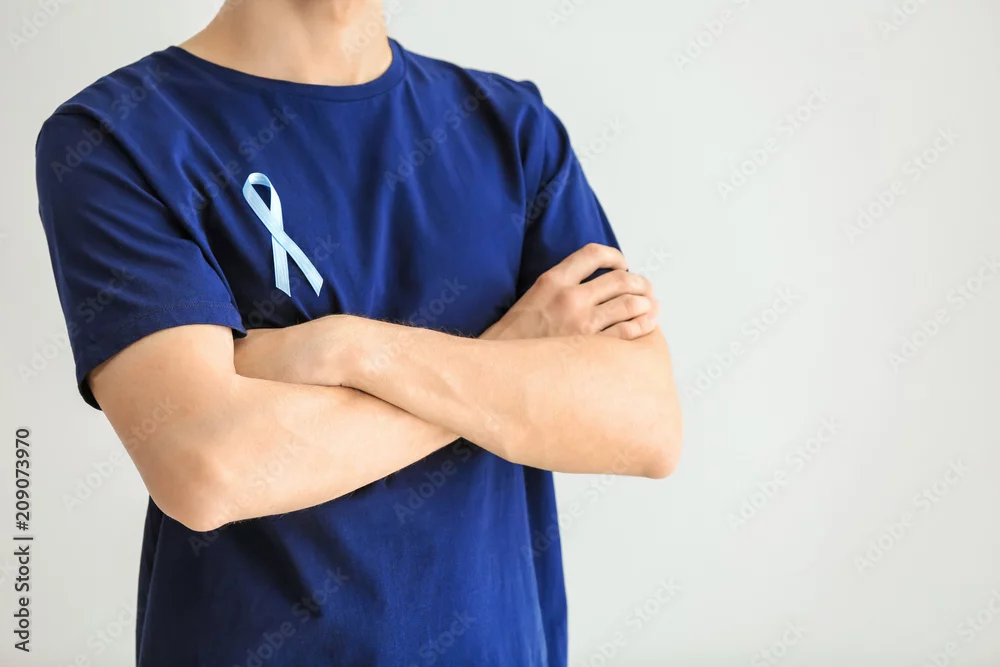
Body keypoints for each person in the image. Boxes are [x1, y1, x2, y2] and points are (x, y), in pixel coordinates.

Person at [34, 1, 683, 665]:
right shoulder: (117, 137)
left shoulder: (513, 128)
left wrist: (345, 347)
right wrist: (508, 357)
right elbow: (207, 470)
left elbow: (645, 423)